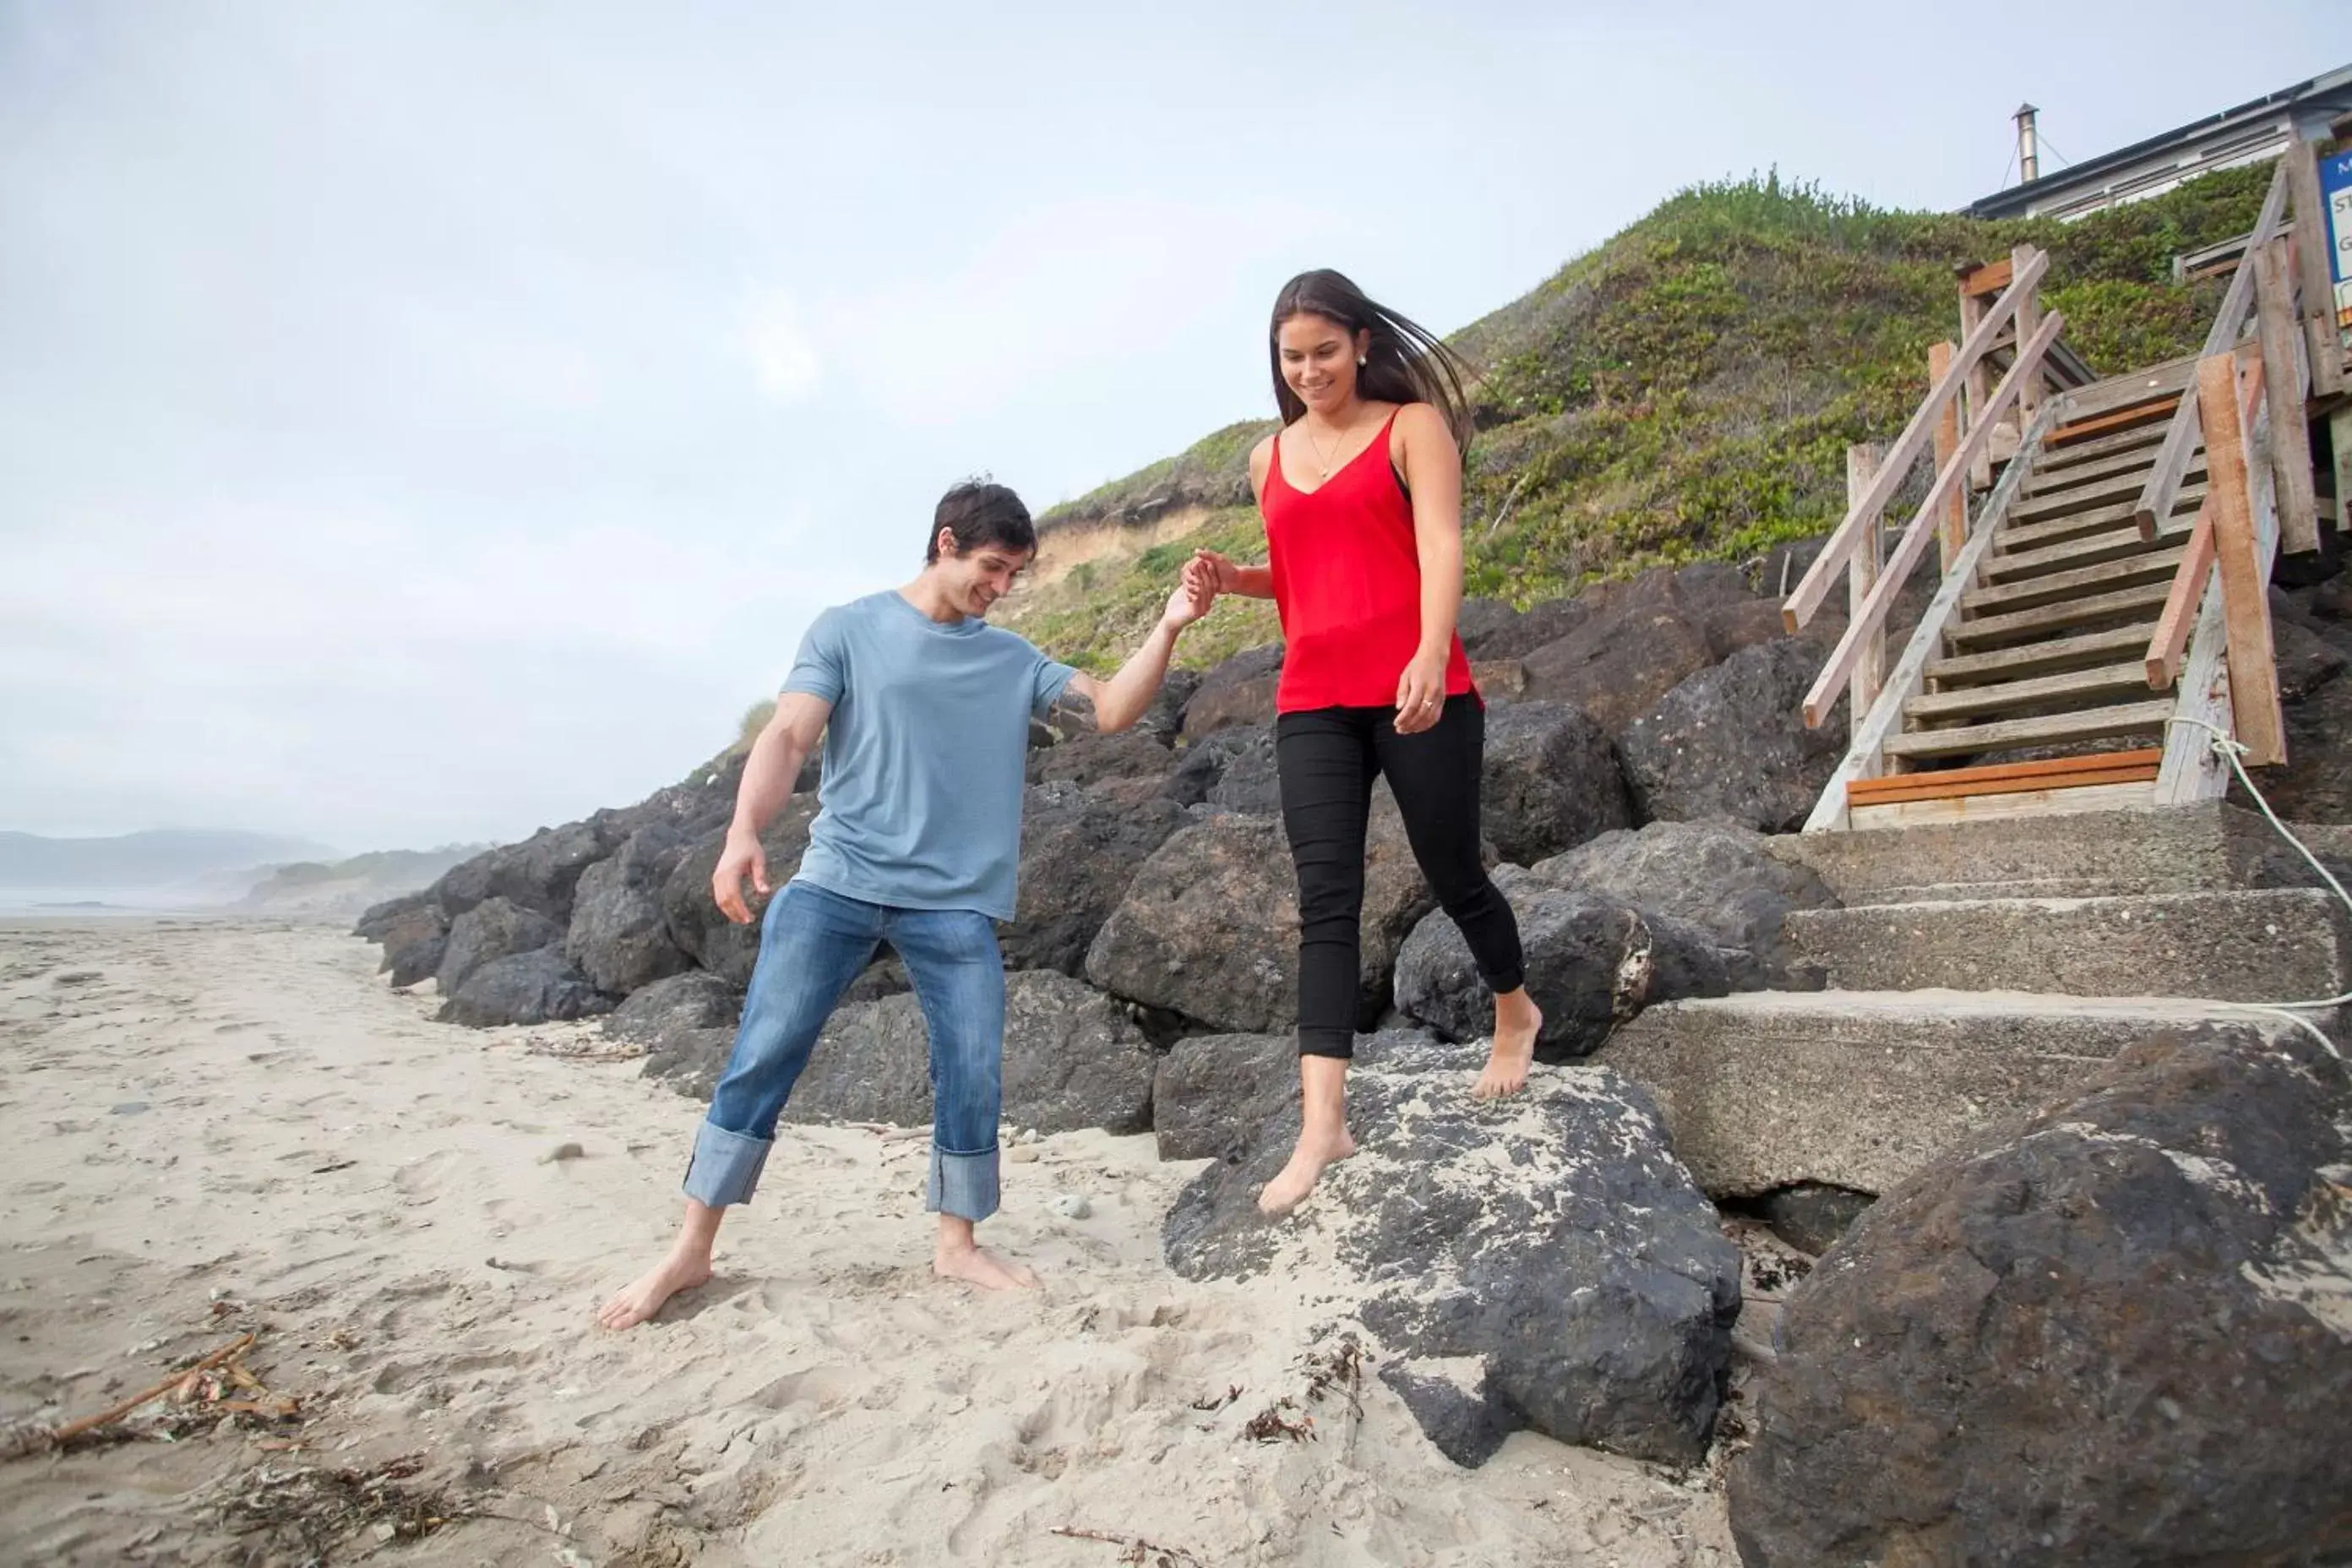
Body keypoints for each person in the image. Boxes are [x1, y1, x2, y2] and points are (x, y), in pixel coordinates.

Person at [599, 480, 1212, 1329]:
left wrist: (1171, 624)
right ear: (946, 541)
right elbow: (786, 735)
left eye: (1015, 575)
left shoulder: (1010, 659)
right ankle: (692, 1248)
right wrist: (743, 830)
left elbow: (1109, 708)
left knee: (972, 1066)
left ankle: (956, 1243)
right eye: (993, 568)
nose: (1001, 587)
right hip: (836, 882)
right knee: (763, 1051)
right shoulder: (847, 628)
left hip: (953, 904)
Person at [1184, 269, 1544, 1217]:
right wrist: (1235, 577)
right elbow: (1311, 573)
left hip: (1419, 686)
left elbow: (1439, 544)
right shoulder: (1268, 459)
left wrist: (1431, 651)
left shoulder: (1410, 427)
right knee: (1325, 900)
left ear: (1362, 344)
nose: (1308, 370)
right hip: (1311, 697)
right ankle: (1322, 1127)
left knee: (1453, 867)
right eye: (1291, 356)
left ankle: (1516, 1009)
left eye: (1325, 352)